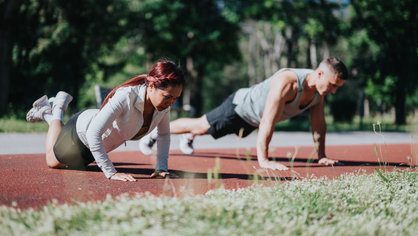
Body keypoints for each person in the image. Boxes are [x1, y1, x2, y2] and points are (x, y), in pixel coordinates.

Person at [139, 57, 348, 171]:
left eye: (337, 87)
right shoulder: (289, 82)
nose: (334, 91)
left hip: (252, 120)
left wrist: (321, 157)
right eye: (332, 85)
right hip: (240, 107)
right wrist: (264, 160)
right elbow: (268, 120)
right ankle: (156, 131)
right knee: (200, 126)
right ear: (319, 74)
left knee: (205, 131)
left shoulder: (318, 95)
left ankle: (189, 136)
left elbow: (319, 126)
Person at [26, 60, 184, 181]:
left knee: (69, 164)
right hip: (82, 132)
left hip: (97, 144)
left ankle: (49, 113)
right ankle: (57, 108)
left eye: (175, 98)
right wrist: (111, 172)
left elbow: (163, 135)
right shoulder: (126, 96)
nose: (171, 103)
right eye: (168, 97)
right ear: (151, 86)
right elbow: (94, 132)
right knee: (52, 162)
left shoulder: (163, 107)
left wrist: (161, 168)